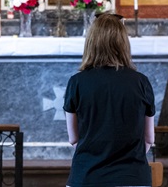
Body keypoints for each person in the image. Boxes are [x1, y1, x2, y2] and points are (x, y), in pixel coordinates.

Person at [63, 13, 155, 187]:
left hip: (87, 177)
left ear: (91, 42)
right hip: (133, 178)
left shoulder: (76, 82)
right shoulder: (141, 82)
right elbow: (149, 139)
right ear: (123, 43)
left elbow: (74, 139)